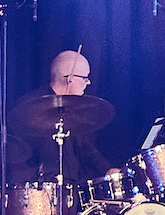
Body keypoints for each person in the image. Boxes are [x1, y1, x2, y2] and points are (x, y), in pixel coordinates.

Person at [19, 49, 114, 184]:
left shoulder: (73, 109)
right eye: (85, 78)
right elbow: (19, 155)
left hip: (72, 187)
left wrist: (107, 170)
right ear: (70, 79)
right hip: (41, 188)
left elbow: (86, 148)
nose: (88, 83)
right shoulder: (31, 108)